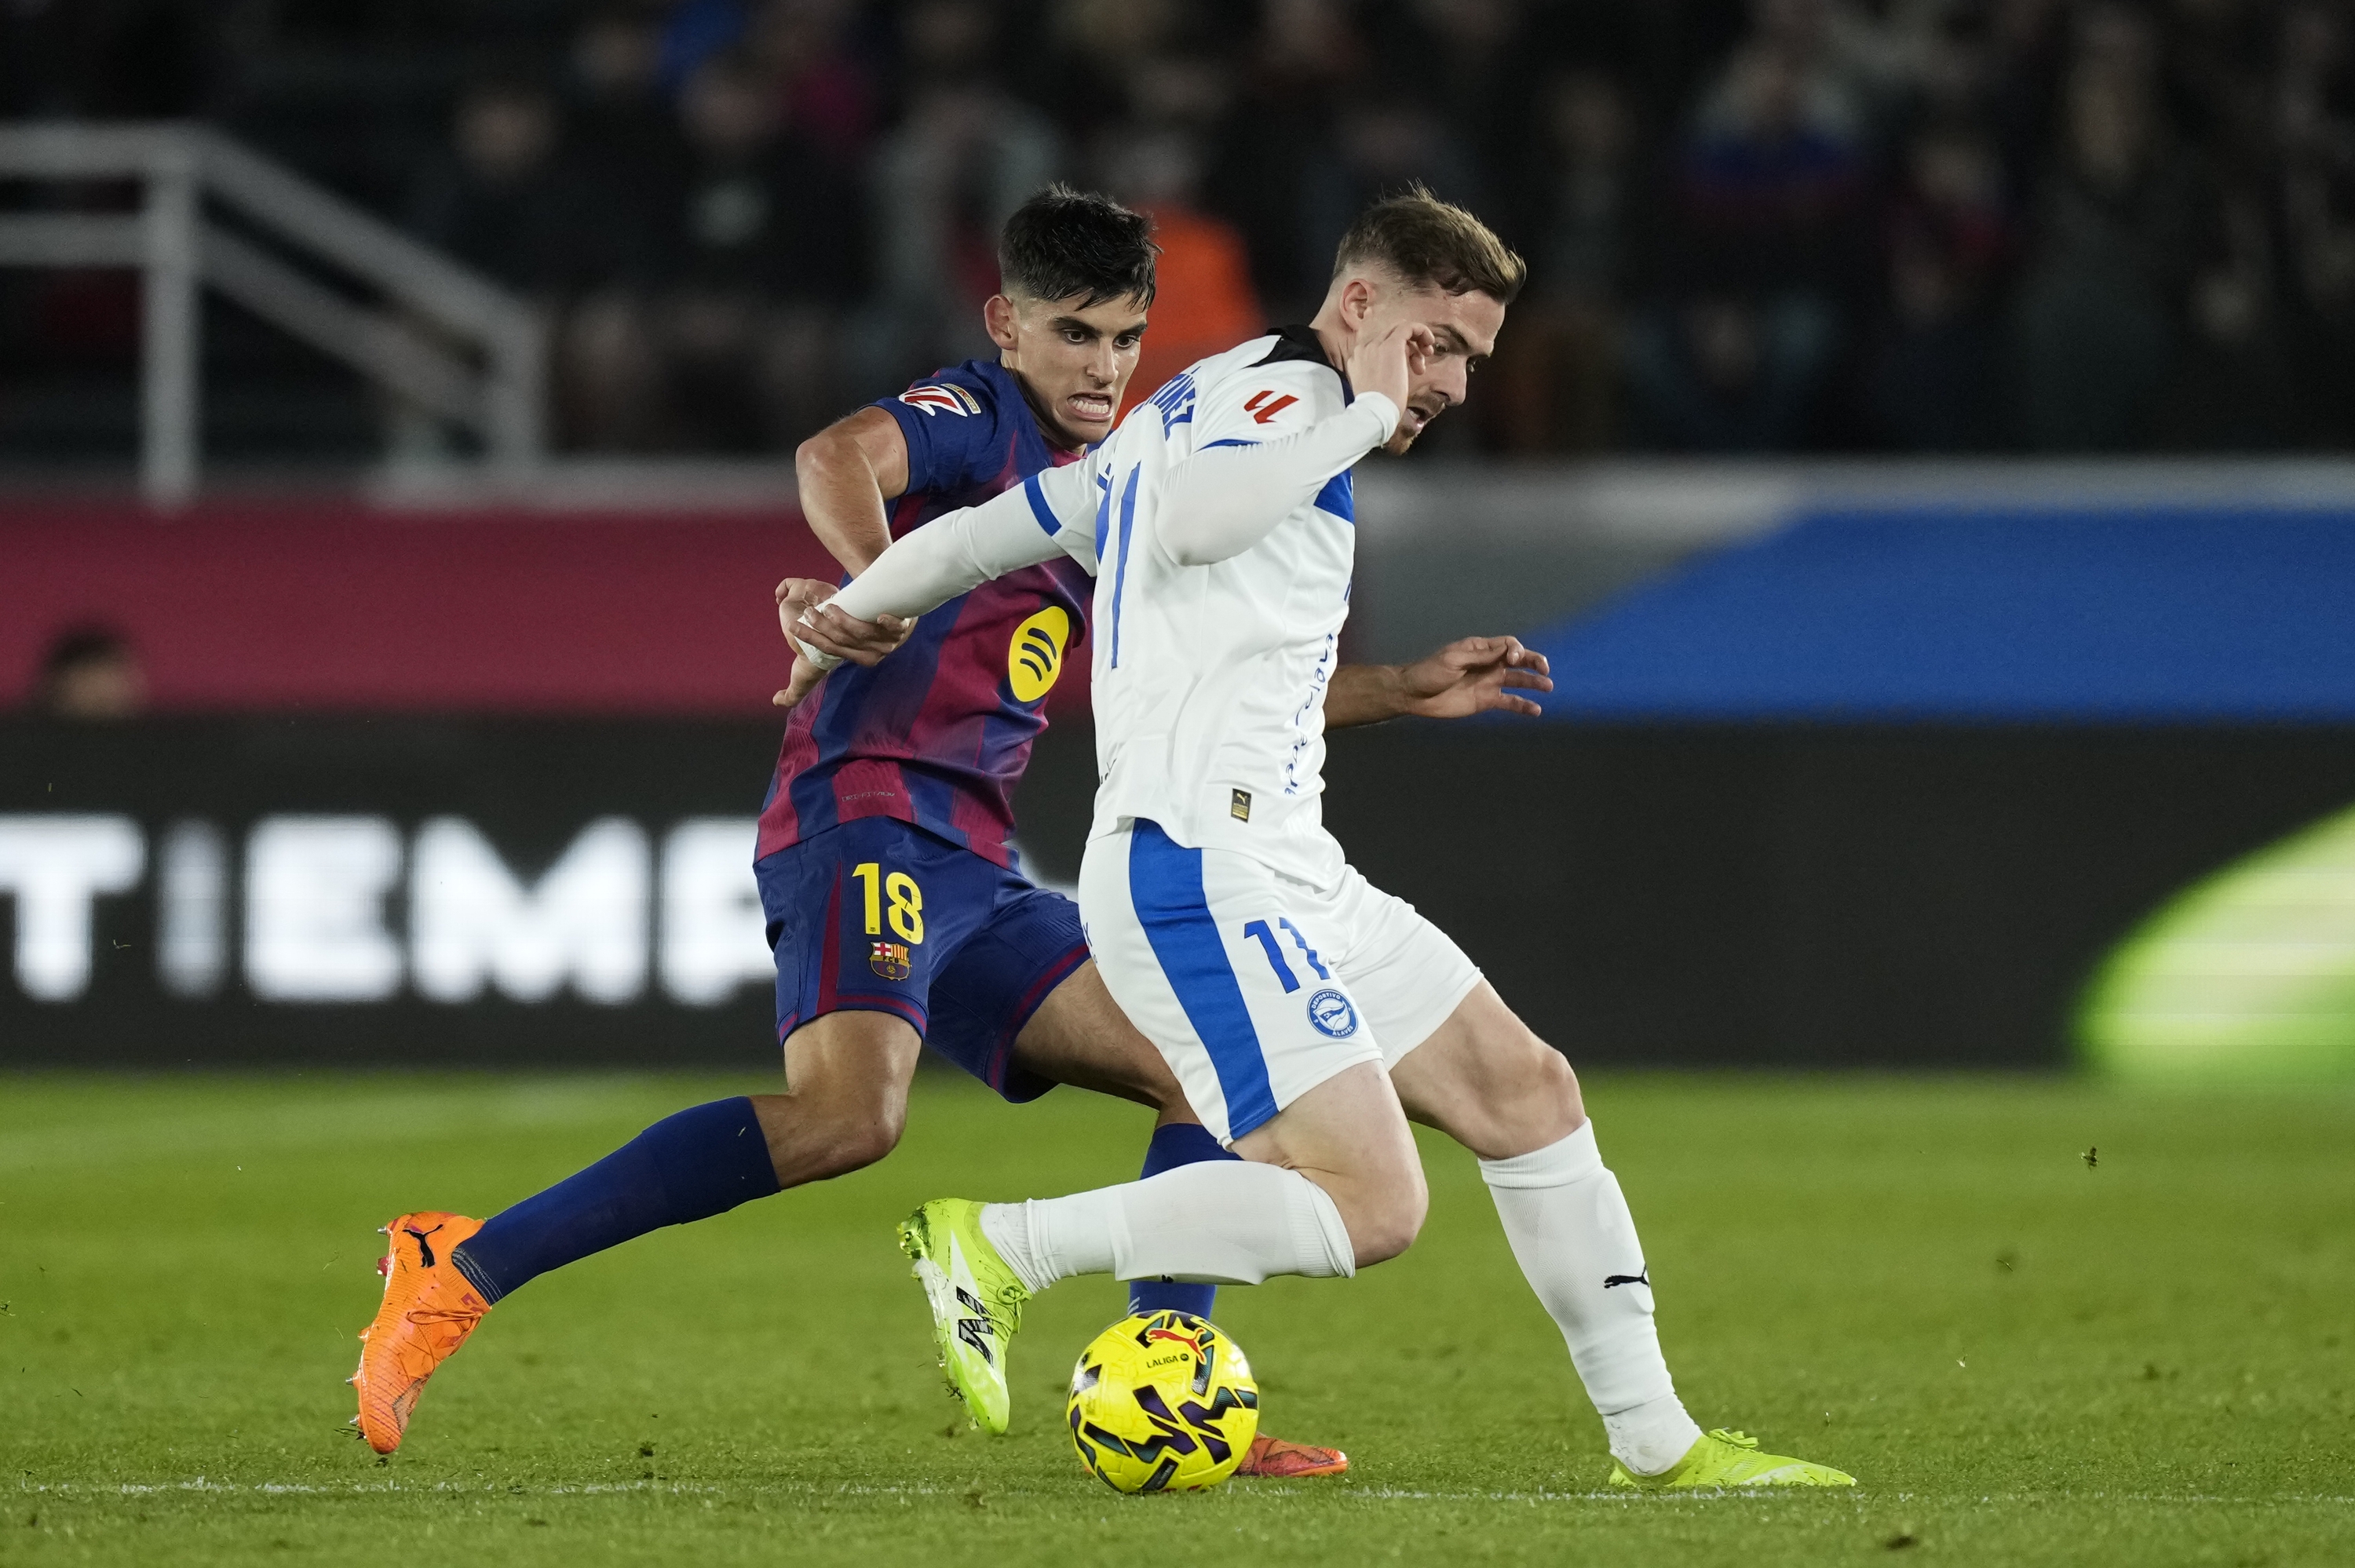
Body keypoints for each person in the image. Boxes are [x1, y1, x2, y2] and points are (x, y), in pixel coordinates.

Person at [351, 186, 1528, 1475]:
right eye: (1073, 335)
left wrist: (1401, 687)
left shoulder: (1114, 476)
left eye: (1125, 338)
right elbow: (833, 457)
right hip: (859, 814)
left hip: (974, 854)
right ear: (1006, 325)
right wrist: (871, 587)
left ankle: (1170, 1379)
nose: (1102, 367)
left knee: (1205, 1069)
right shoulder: (974, 419)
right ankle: (460, 1261)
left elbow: (1245, 685)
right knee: (851, 1119)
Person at [782, 188, 1856, 1490]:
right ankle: (1006, 1245)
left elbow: (982, 535)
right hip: (1197, 871)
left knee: (1528, 1091)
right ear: (1358, 308)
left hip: (1288, 864)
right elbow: (1192, 525)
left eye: (1471, 357)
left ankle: (1658, 1441)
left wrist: (854, 606)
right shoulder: (1291, 409)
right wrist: (1358, 411)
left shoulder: (1206, 399)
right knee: (1377, 1206)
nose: (1451, 383)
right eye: (1437, 344)